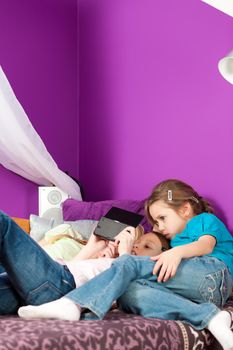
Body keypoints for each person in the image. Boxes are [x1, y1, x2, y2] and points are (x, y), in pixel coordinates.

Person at [19, 179, 233, 350]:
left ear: (185, 209)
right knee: (128, 292)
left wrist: (176, 253)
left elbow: (205, 245)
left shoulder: (202, 220)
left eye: (162, 218)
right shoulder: (174, 242)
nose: (159, 227)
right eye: (155, 222)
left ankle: (73, 304)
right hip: (200, 292)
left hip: (215, 274)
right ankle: (210, 316)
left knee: (131, 264)